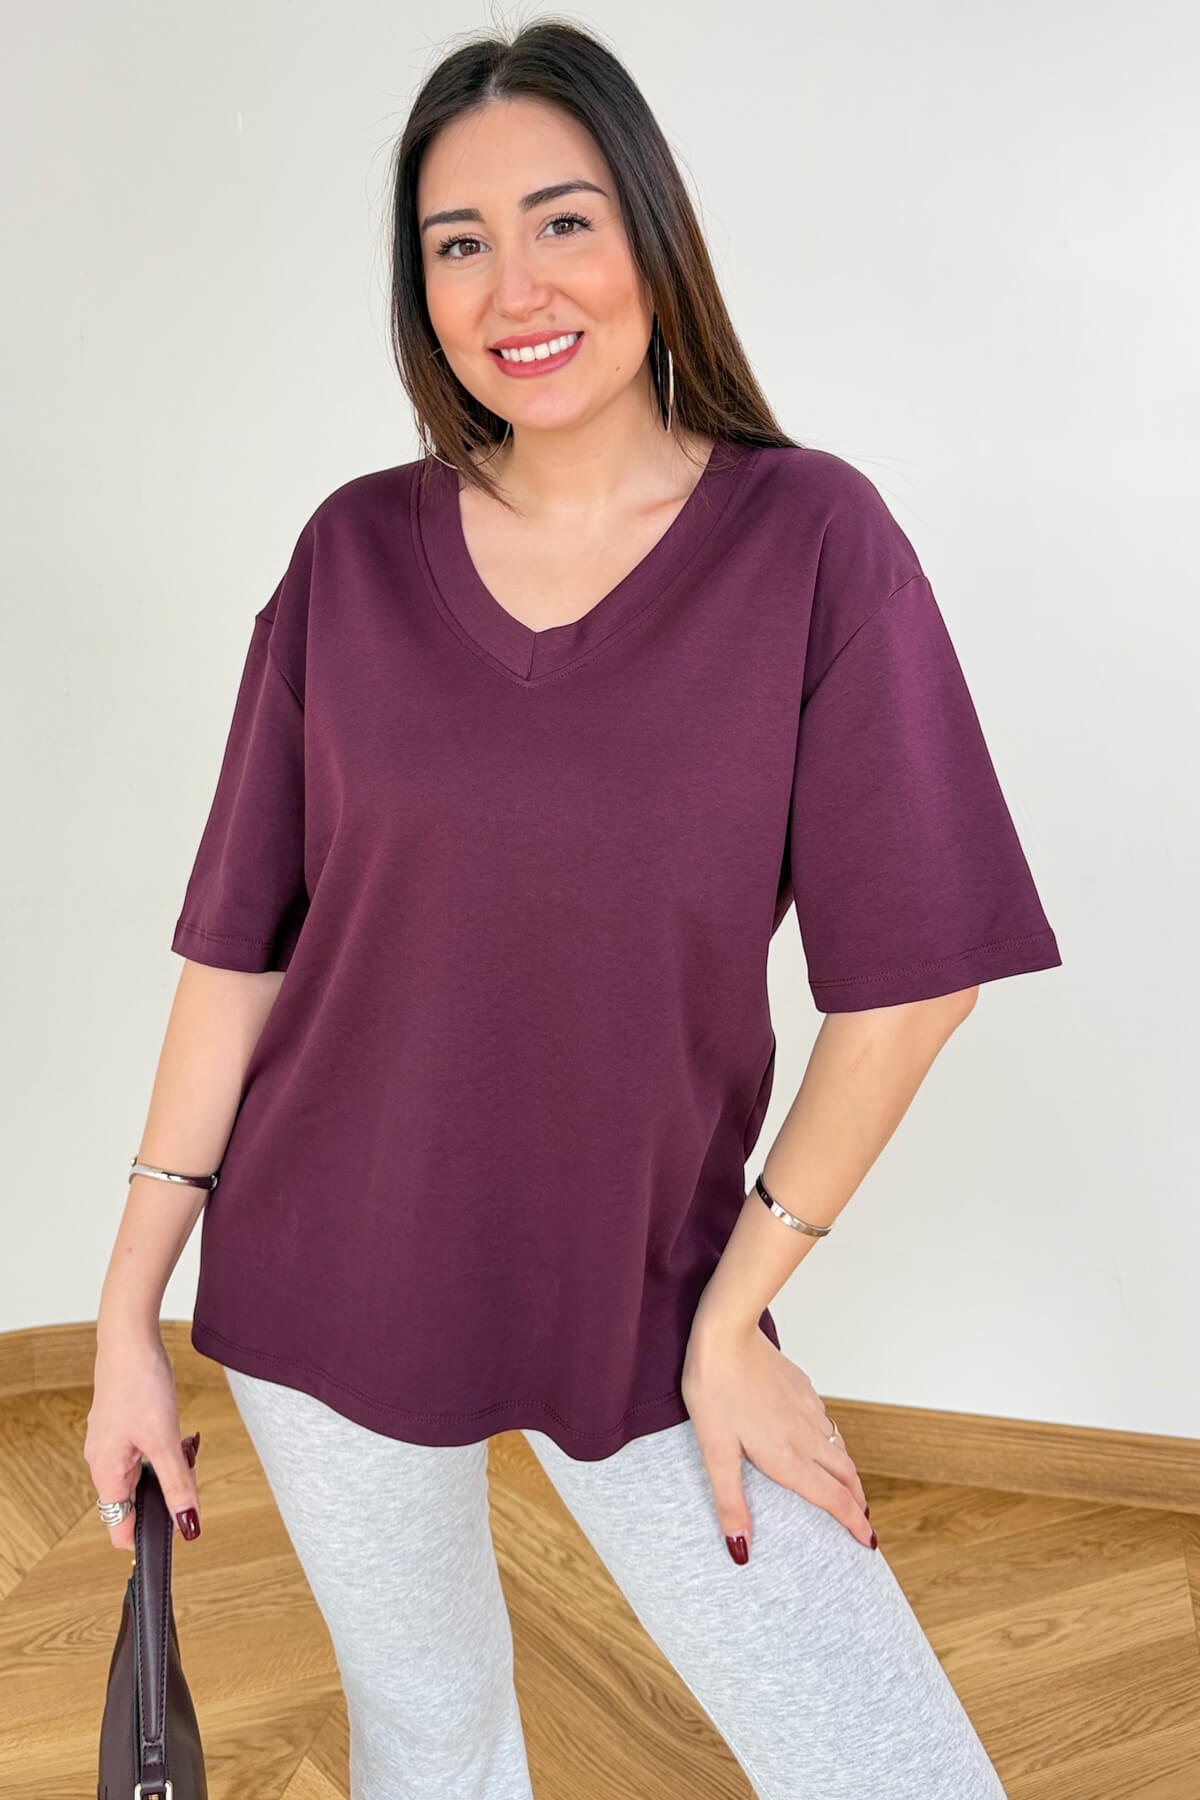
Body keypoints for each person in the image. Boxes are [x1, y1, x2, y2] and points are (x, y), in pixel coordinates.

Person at [85, 19, 1062, 1799]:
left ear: (652, 238)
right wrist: (125, 1318)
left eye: (562, 222)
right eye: (457, 242)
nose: (512, 288)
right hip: (328, 1273)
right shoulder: (351, 556)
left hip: (654, 1298)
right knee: (431, 1740)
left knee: (889, 1767)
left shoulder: (812, 540)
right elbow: (239, 953)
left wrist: (735, 1312)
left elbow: (915, 985)